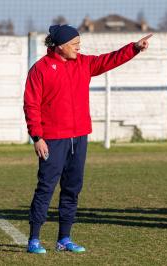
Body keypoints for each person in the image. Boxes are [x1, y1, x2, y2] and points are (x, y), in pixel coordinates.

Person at [23, 24, 152, 254]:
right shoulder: (40, 69)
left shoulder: (84, 63)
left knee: (72, 189)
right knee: (46, 188)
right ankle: (34, 239)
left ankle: (64, 238)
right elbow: (31, 105)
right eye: (74, 44)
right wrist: (37, 137)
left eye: (79, 43)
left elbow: (109, 60)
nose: (78, 48)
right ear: (60, 46)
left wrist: (133, 48)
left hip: (79, 137)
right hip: (52, 140)